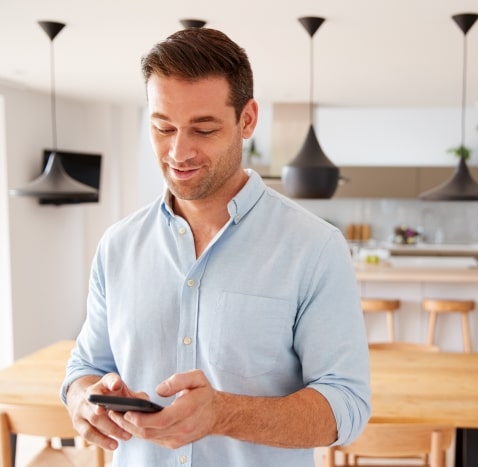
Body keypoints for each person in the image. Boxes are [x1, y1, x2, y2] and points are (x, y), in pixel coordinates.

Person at [61, 27, 371, 466]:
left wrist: (223, 414)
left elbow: (347, 406)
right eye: (162, 128)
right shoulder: (118, 246)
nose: (178, 152)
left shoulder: (315, 248)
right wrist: (84, 400)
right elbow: (83, 368)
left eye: (203, 129)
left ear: (247, 120)